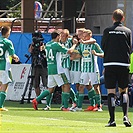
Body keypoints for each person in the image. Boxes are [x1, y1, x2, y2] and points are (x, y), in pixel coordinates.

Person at [32, 30, 77, 111]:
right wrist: (74, 45)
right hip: (58, 69)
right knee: (66, 85)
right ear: (57, 37)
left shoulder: (48, 44)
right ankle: (65, 107)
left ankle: (36, 100)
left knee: (50, 89)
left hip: (50, 69)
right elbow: (69, 51)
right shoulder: (56, 45)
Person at [101, 9, 132, 127]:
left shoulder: (107, 31)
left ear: (112, 18)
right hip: (124, 64)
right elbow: (129, 48)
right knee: (124, 90)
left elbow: (103, 46)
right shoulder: (127, 31)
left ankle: (112, 120)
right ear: (123, 18)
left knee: (111, 92)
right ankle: (125, 116)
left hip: (110, 63)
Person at [74, 29, 104, 111]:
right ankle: (79, 107)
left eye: (85, 36)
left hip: (93, 69)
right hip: (85, 70)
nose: (83, 38)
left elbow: (103, 54)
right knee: (81, 86)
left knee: (96, 87)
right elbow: (79, 54)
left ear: (89, 36)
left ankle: (98, 106)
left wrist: (96, 54)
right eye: (83, 36)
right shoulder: (81, 45)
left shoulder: (94, 45)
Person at [0, 26, 19, 111]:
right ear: (8, 33)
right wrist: (16, 58)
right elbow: (12, 54)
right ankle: (0, 106)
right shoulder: (8, 42)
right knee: (5, 85)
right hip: (4, 66)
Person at [28, 31, 47, 103]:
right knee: (36, 83)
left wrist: (42, 47)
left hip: (43, 65)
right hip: (35, 65)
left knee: (46, 83)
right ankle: (38, 99)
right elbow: (30, 51)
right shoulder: (31, 45)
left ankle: (47, 99)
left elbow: (44, 51)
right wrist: (33, 44)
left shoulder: (44, 44)